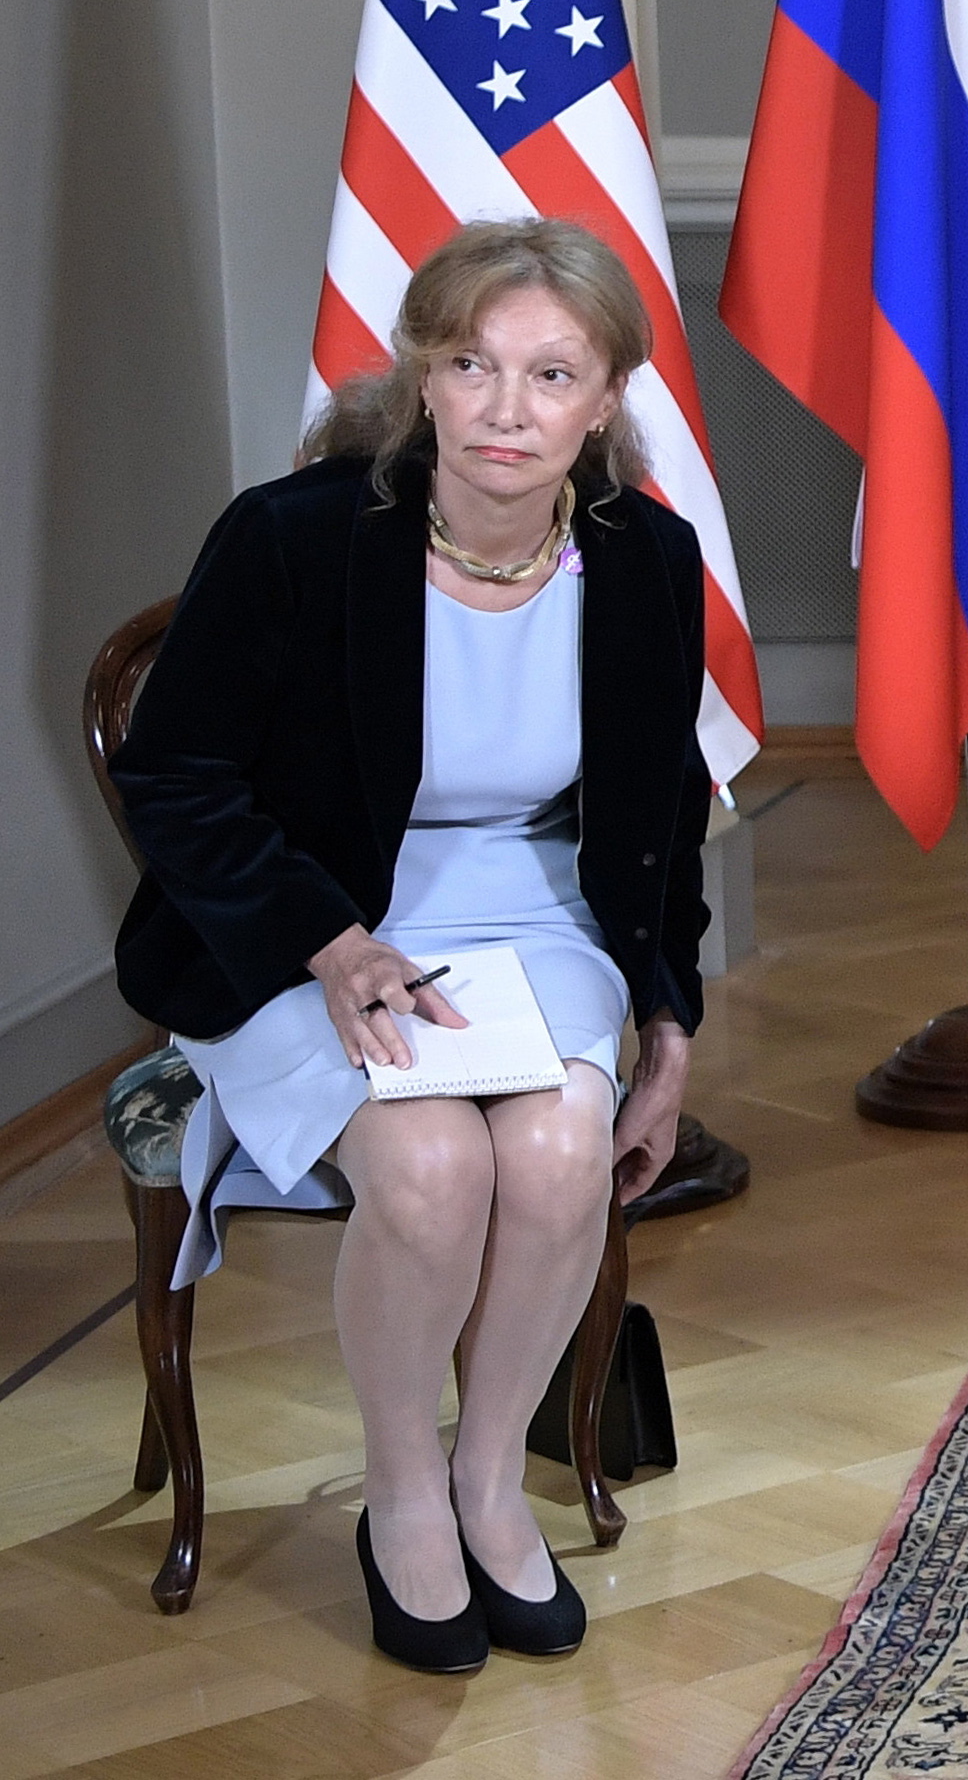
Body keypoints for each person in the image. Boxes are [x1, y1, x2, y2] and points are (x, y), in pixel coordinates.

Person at [112, 219, 716, 1676]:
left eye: (552, 374)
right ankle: (402, 1493)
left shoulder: (647, 560)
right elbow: (175, 777)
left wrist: (669, 1032)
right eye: (473, 365)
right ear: (424, 380)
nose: (509, 408)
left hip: (536, 911)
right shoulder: (294, 537)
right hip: (306, 922)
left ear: (606, 399)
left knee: (557, 1157)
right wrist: (327, 941)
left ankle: (487, 1476)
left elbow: (661, 821)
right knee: (434, 1168)